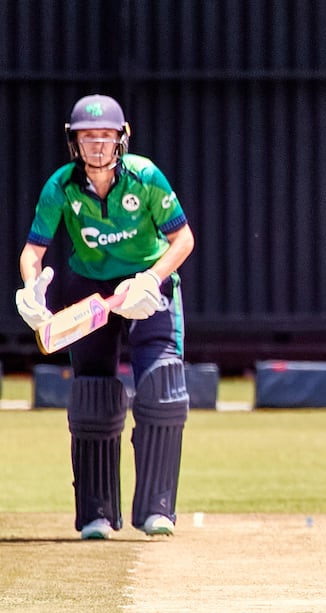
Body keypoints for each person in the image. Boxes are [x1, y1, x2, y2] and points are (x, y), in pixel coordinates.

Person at [15, 94, 195, 540]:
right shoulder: (61, 186)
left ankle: (157, 510)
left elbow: (184, 238)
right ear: (73, 142)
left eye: (105, 136)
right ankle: (96, 514)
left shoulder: (146, 177)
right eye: (87, 137)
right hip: (91, 291)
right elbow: (32, 251)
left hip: (147, 286)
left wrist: (151, 279)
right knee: (93, 395)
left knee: (161, 388)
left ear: (121, 138)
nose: (97, 145)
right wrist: (32, 290)